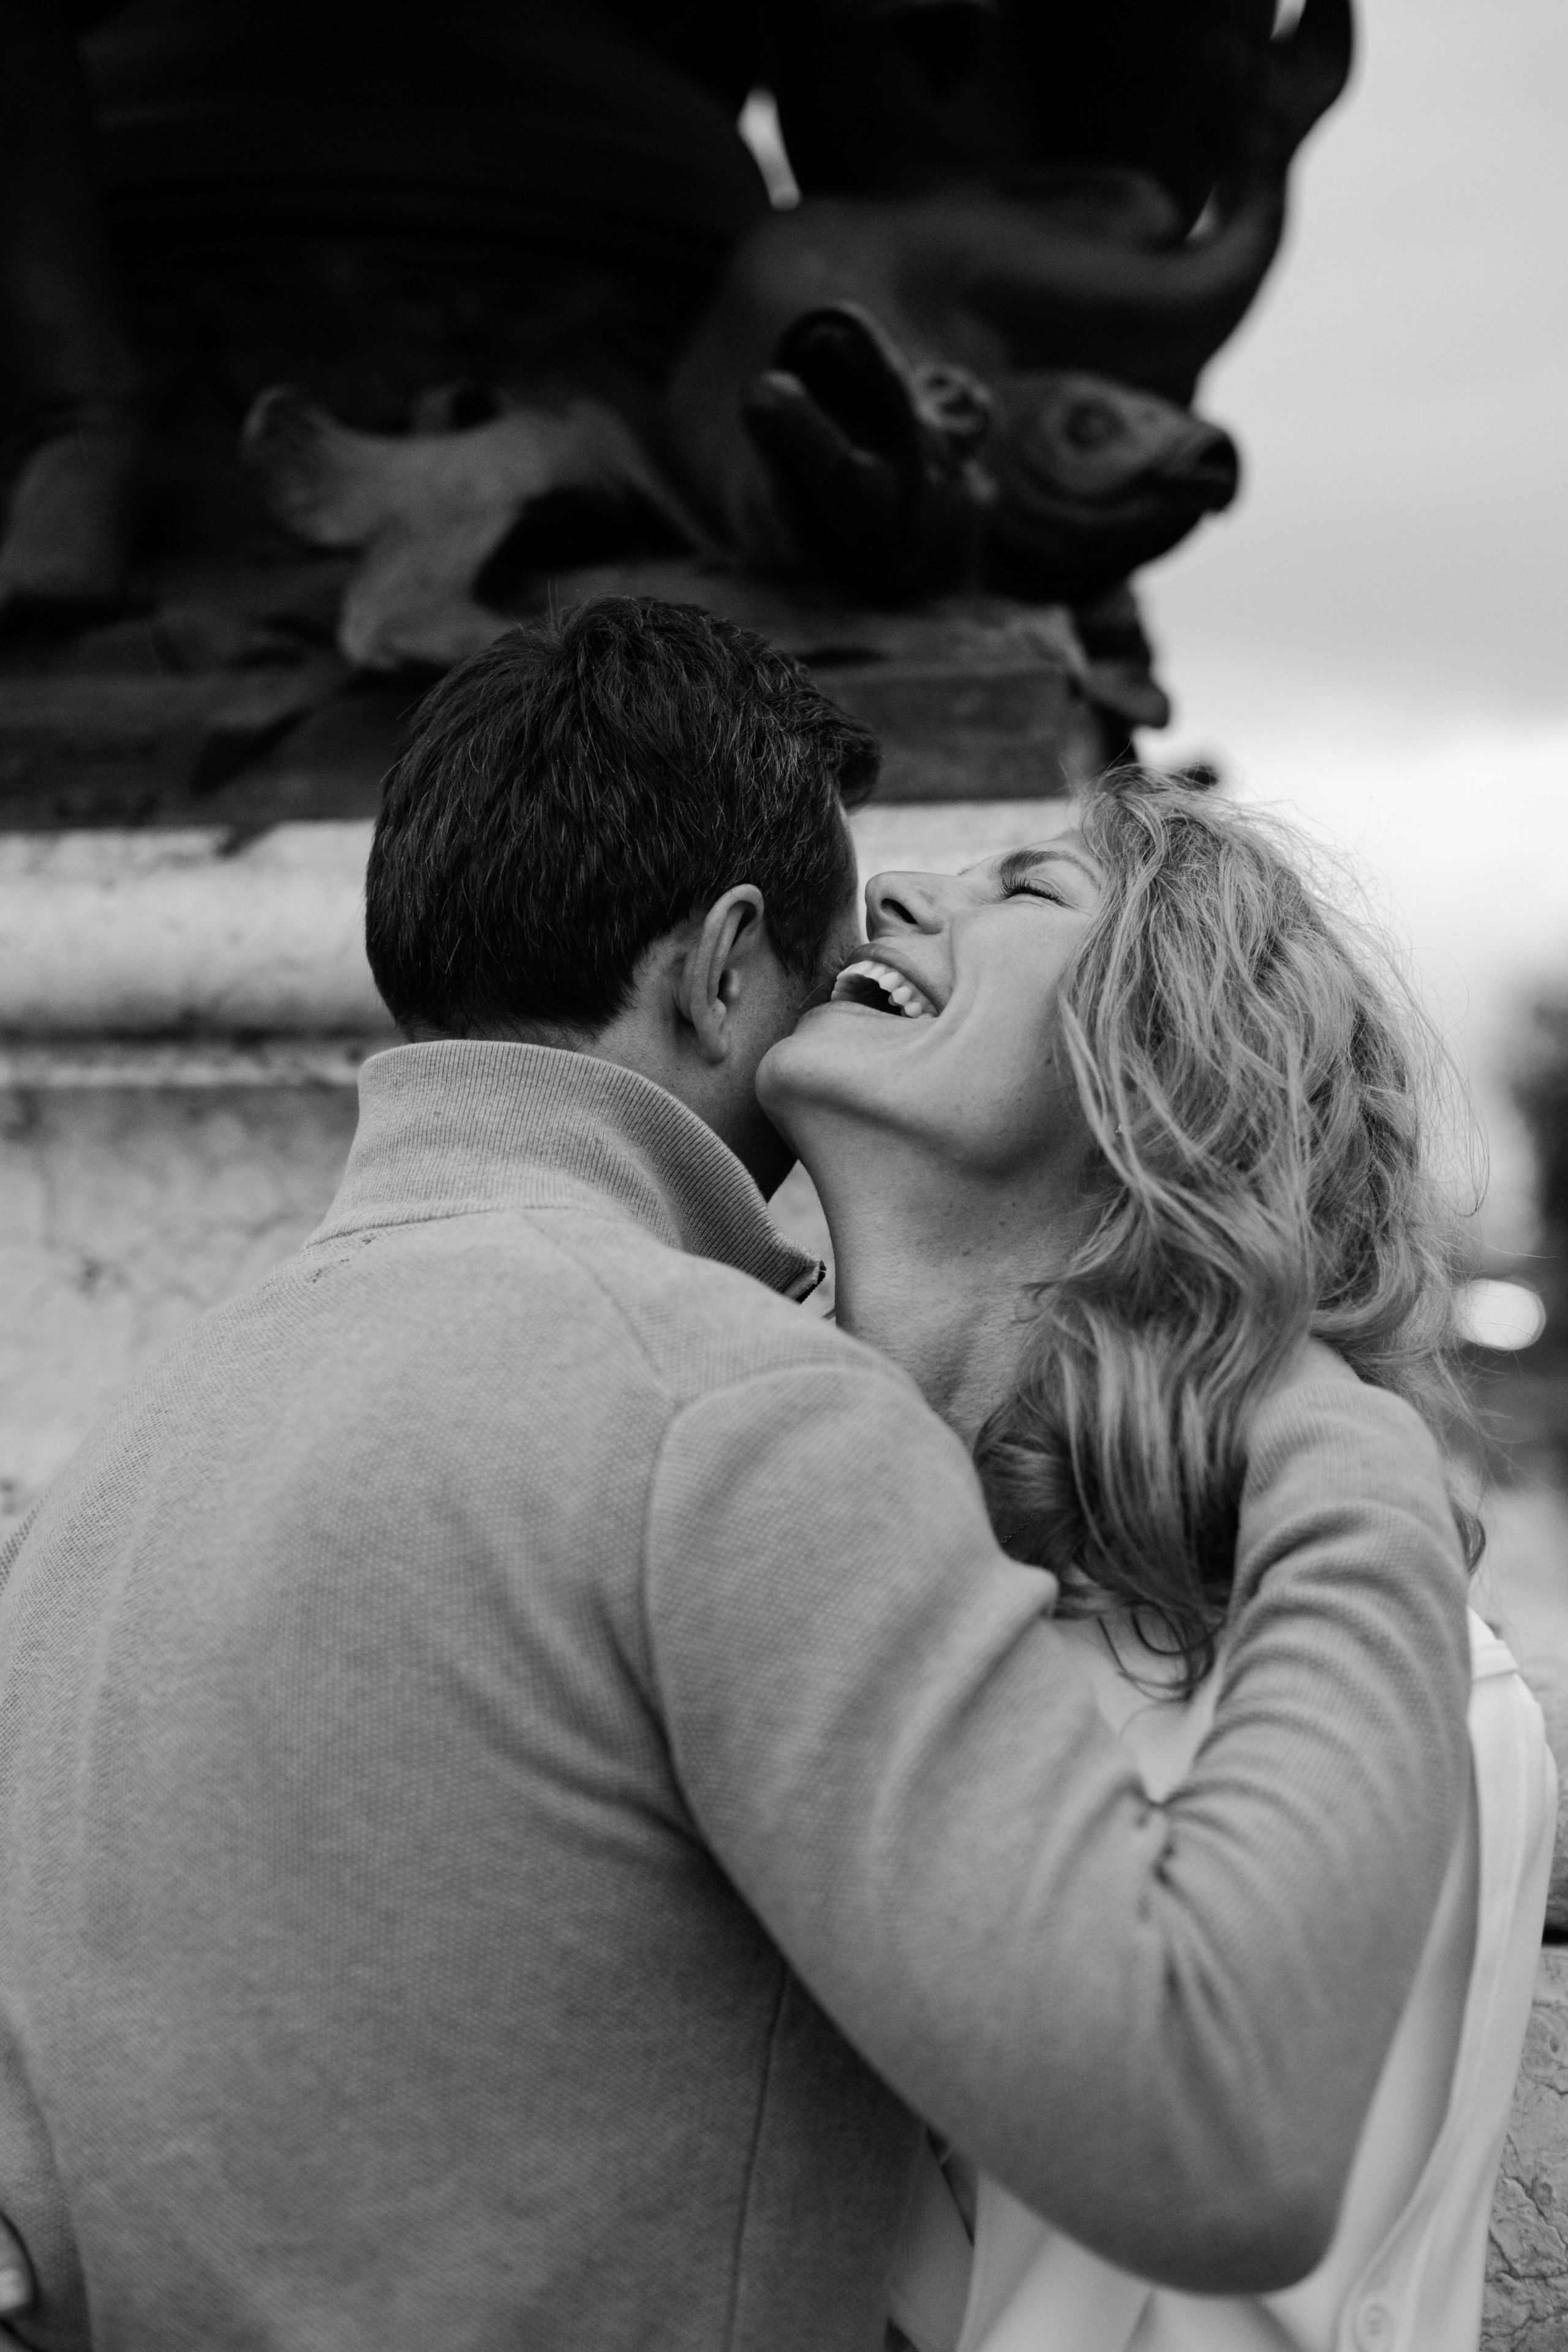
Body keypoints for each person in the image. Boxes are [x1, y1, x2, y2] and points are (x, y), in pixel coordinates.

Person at [0, 599, 1473, 2352]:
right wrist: (1358, 1463)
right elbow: (1214, 2131)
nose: (909, 926)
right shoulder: (727, 1415)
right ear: (721, 968)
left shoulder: (122, 1470)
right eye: (833, 946)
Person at [755, 769, 1554, 2352]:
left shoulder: (1381, 1677)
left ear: (1166, 1083)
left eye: (1030, 893)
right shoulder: (731, 1540)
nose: (891, 898)